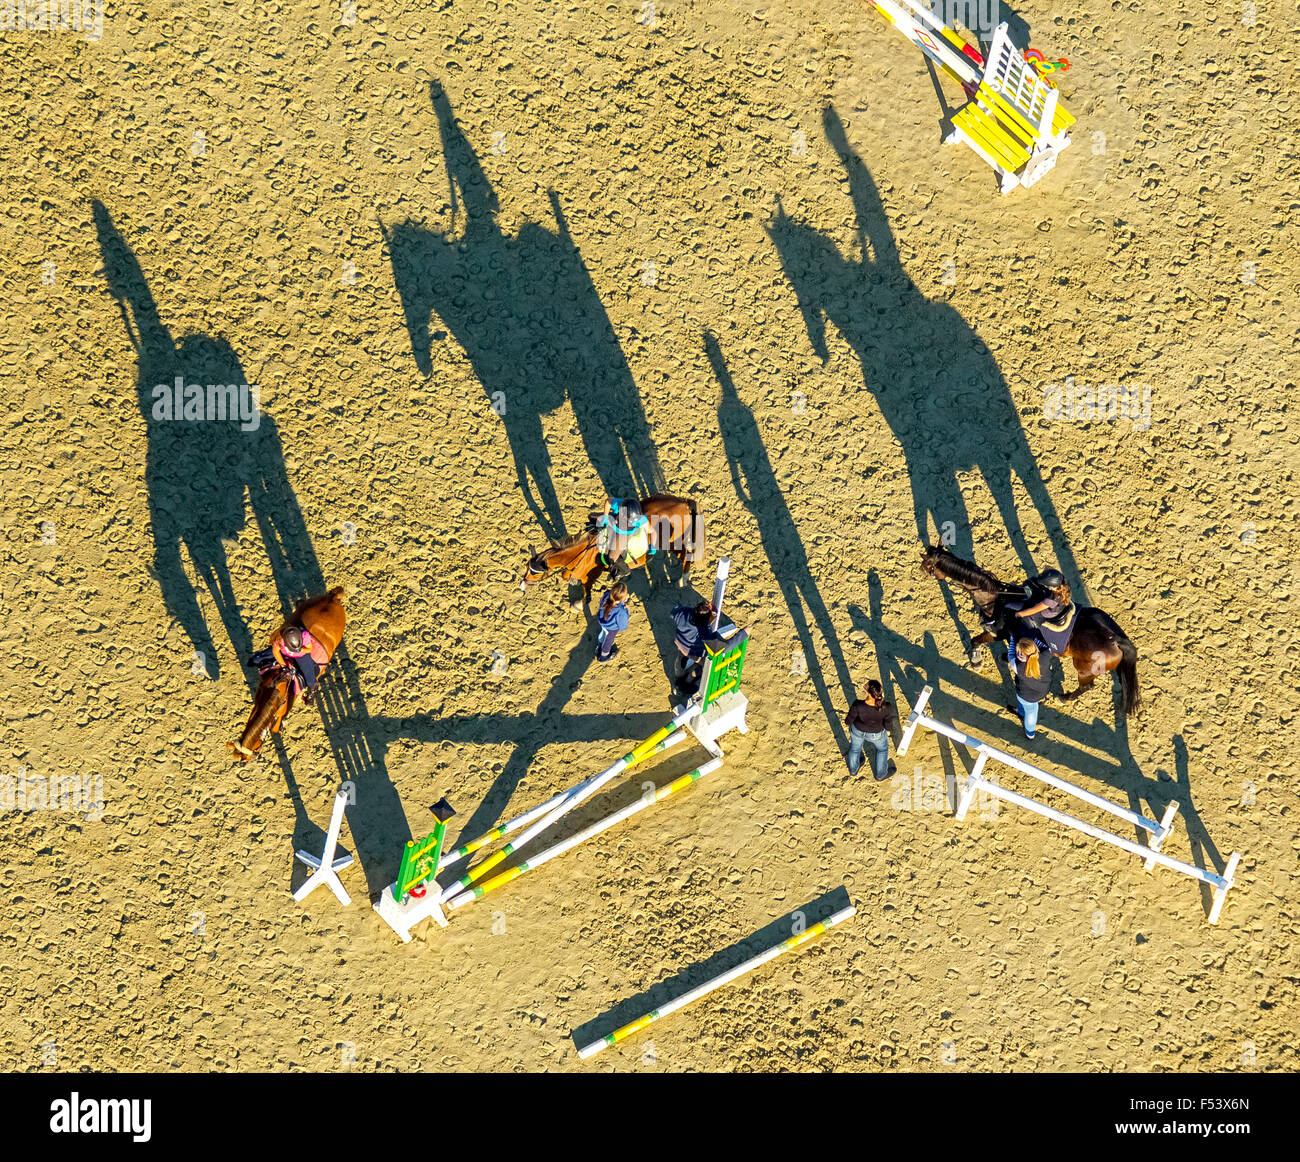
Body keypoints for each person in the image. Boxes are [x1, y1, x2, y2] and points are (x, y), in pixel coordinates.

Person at [1009, 568, 1074, 656]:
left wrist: (1020, 614)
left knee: (1027, 619)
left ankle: (1029, 640)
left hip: (1045, 614)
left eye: (1047, 586)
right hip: (1060, 608)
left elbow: (1034, 609)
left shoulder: (1051, 598)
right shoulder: (1063, 583)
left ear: (1051, 587)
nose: (1047, 587)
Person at [845, 680, 895, 781]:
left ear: (868, 692)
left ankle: (853, 770)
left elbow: (848, 721)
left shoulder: (858, 704)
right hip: (876, 734)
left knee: (855, 749)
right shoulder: (887, 707)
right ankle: (880, 775)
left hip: (857, 731)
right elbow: (888, 726)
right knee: (882, 750)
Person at [596, 497, 652, 582]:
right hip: (614, 525)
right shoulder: (618, 504)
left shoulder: (641, 518)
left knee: (612, 558)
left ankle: (624, 571)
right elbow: (608, 501)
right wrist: (605, 517)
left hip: (625, 534)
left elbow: (650, 530)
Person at [272, 624, 330, 705]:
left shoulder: (304, 635)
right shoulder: (280, 640)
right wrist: (283, 666)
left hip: (301, 656)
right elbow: (275, 651)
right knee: (259, 659)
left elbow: (309, 649)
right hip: (285, 653)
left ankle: (313, 688)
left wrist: (299, 650)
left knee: (310, 681)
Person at [1007, 637, 1051, 739]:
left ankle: (1030, 734)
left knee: (1031, 712)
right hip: (1042, 689)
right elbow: (1044, 646)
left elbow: (1010, 655)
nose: (1018, 655)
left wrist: (1013, 638)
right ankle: (1021, 712)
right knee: (1028, 708)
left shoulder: (1017, 666)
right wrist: (1032, 641)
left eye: (1020, 653)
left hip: (1026, 695)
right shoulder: (1045, 655)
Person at [670, 599, 716, 694]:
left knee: (680, 663)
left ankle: (678, 682)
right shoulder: (704, 631)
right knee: (698, 668)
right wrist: (713, 613)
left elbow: (673, 613)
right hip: (695, 653)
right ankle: (686, 686)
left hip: (681, 645)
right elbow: (712, 639)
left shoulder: (683, 613)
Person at [596, 583, 630, 662]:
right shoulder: (621, 611)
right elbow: (623, 627)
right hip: (611, 628)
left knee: (603, 633)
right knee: (608, 641)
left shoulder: (606, 594)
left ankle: (600, 644)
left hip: (602, 621)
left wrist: (622, 600)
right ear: (623, 598)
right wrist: (626, 607)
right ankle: (603, 657)